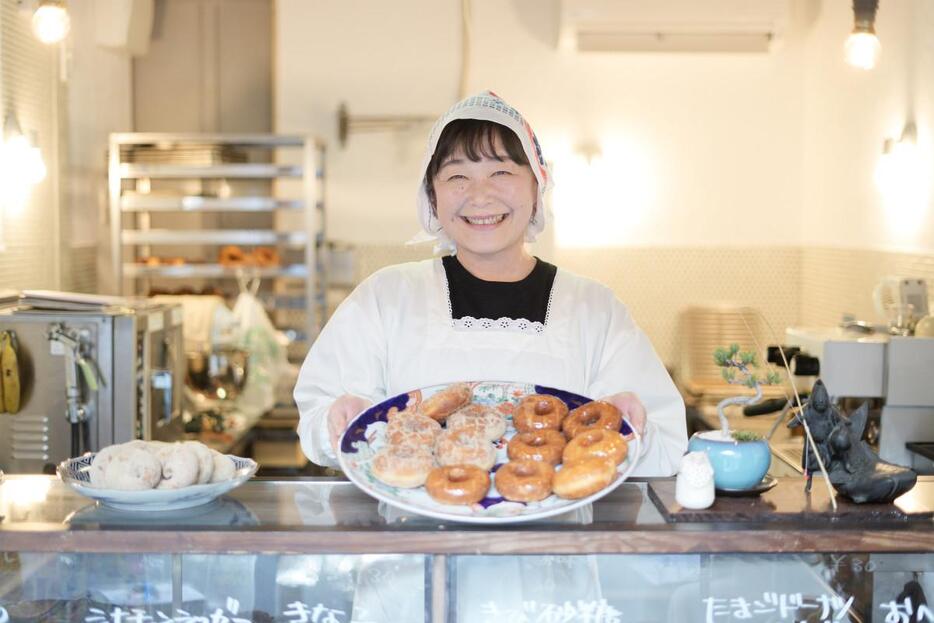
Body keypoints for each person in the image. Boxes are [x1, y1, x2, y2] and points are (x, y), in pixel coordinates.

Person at [292, 90, 688, 622]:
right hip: (409, 587)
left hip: (551, 588)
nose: (479, 194)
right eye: (457, 175)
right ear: (432, 196)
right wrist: (336, 418)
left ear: (536, 184)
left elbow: (663, 446)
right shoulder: (387, 299)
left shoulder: (592, 309)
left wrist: (634, 422)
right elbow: (321, 424)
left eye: (501, 171)